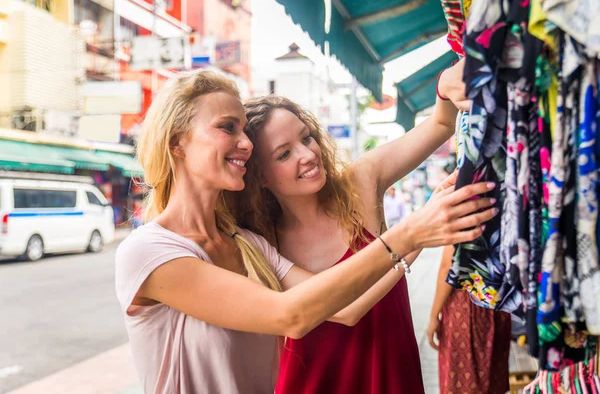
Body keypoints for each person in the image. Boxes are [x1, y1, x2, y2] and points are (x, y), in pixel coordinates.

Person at [114, 69, 496, 394]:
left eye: (244, 131)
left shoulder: (247, 244)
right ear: (176, 142)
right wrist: (412, 234)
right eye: (227, 128)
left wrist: (421, 231)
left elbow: (346, 309)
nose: (244, 143)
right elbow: (291, 315)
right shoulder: (149, 251)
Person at [230, 59, 491, 393]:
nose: (308, 155)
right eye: (284, 154)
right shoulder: (262, 243)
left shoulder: (360, 180)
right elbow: (349, 309)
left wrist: (444, 83)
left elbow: (442, 121)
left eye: (307, 138)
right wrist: (416, 233)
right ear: (260, 177)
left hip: (393, 377)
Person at [427, 245, 512, 394]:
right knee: (492, 381)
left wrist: (434, 315)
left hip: (466, 308)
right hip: (498, 305)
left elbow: (448, 265)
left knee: (461, 383)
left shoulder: (461, 220)